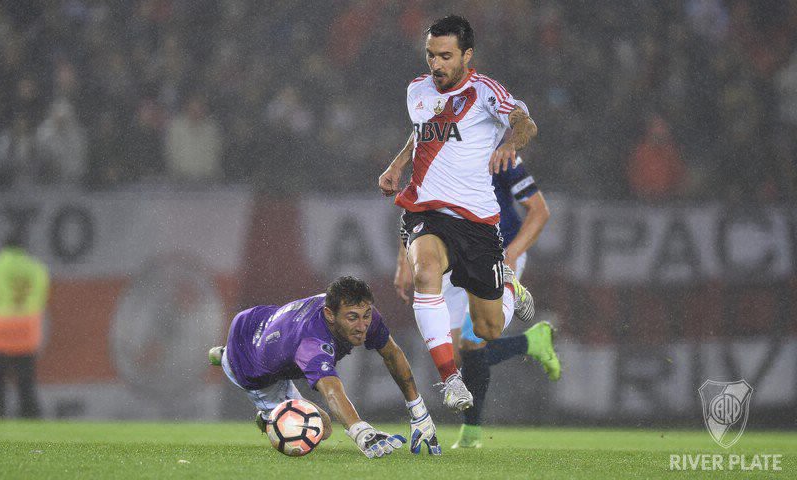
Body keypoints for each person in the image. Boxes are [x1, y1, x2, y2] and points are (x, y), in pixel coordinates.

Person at [378, 15, 538, 413]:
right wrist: (398, 166)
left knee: (488, 329)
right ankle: (451, 379)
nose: (437, 64)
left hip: (477, 222)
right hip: (427, 210)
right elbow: (422, 132)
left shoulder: (485, 92)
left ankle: (508, 285)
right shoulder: (416, 89)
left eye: (446, 56)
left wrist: (508, 143)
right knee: (425, 274)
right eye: (431, 55)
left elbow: (524, 122)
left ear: (467, 55)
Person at [396, 153, 560, 449]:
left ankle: (471, 433)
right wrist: (403, 260)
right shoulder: (438, 142)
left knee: (475, 342)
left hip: (494, 252)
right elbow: (415, 202)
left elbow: (539, 211)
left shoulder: (502, 155)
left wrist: (509, 256)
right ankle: (531, 341)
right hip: (454, 248)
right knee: (455, 354)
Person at [208, 276, 441, 458]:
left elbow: (392, 354)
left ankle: (221, 354)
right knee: (322, 429)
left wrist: (418, 411)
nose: (362, 326)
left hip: (262, 320)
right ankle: (239, 376)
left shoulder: (359, 312)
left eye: (366, 315)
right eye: (353, 318)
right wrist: (360, 431)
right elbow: (331, 390)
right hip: (250, 363)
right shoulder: (312, 342)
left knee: (319, 423)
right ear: (330, 315)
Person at [0, 236, 50, 418]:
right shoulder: (36, 268)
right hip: (27, 330)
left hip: (1, 329)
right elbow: (41, 297)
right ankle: (30, 415)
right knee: (26, 381)